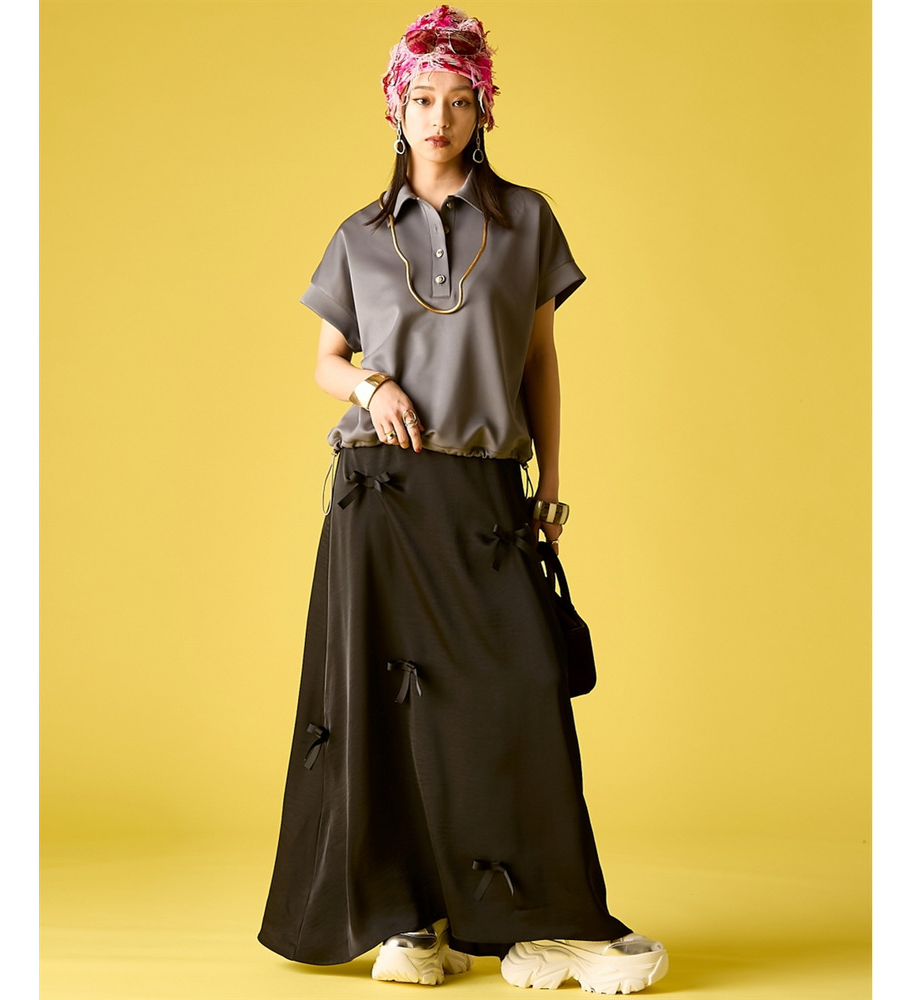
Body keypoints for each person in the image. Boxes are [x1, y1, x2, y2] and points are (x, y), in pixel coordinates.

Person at [257, 5, 669, 995]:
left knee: (515, 689)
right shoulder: (359, 236)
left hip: (484, 488)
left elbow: (540, 360)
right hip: (380, 494)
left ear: (483, 110)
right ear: (393, 110)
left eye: (457, 100)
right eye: (420, 99)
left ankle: (545, 924)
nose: (437, 118)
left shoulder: (526, 221)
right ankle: (411, 923)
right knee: (390, 709)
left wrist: (551, 481)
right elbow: (324, 359)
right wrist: (371, 387)